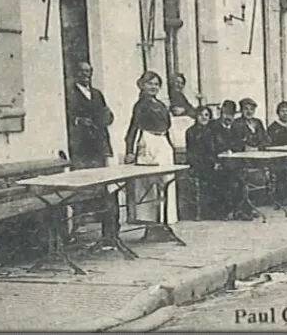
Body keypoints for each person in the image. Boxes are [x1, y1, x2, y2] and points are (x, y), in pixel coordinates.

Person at [65, 62, 117, 240]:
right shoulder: (70, 93)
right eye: (81, 71)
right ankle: (79, 226)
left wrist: (108, 117)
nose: (85, 74)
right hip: (82, 147)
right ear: (75, 74)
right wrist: (79, 121)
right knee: (82, 187)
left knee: (102, 187)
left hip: (98, 145)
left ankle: (105, 230)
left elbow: (105, 113)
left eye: (88, 71)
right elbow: (68, 117)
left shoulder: (96, 94)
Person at [123, 70, 178, 237]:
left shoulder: (160, 105)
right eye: (150, 83)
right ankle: (151, 225)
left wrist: (170, 146)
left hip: (162, 144)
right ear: (142, 85)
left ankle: (164, 221)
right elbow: (132, 129)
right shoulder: (141, 105)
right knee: (150, 185)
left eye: (156, 84)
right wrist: (130, 151)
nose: (153, 87)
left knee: (166, 182)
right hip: (148, 142)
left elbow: (167, 127)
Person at [185, 106, 223, 219]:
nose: (204, 118)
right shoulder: (191, 131)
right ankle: (205, 212)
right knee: (207, 178)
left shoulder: (212, 131)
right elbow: (192, 151)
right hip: (198, 163)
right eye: (201, 115)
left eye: (206, 115)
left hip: (211, 162)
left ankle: (217, 211)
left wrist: (216, 161)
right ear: (196, 116)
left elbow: (216, 148)